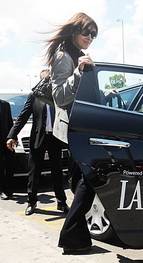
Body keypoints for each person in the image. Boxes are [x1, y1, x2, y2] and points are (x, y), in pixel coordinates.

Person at [44, 12, 97, 254]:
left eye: (94, 34)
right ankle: (70, 235)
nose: (90, 37)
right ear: (75, 31)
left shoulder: (78, 56)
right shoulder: (63, 56)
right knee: (89, 179)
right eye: (87, 32)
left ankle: (77, 237)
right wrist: (79, 71)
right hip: (73, 129)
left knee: (82, 181)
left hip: (83, 126)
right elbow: (60, 97)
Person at [7, 69, 69, 215]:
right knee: (34, 172)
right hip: (37, 138)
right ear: (40, 81)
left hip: (55, 139)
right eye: (45, 79)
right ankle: (32, 202)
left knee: (57, 172)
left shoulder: (58, 96)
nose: (48, 81)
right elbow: (23, 116)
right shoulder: (34, 96)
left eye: (50, 79)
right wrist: (12, 135)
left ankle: (61, 202)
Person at [0, 99, 15, 200]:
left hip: (5, 139)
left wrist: (13, 137)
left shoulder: (5, 104)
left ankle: (8, 186)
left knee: (11, 163)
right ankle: (3, 189)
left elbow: (10, 122)